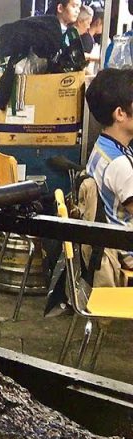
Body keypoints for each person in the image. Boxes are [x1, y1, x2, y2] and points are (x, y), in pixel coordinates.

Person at [84, 68, 133, 287]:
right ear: (120, 113)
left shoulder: (102, 147)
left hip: (111, 242)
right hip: (125, 252)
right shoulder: (120, 165)